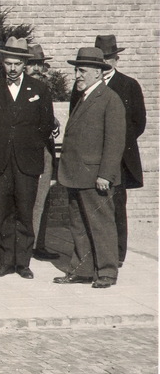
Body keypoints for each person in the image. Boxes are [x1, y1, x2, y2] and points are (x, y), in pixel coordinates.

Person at [0, 37, 55, 280]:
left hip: (28, 161)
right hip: (1, 160)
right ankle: (5, 262)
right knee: (3, 212)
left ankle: (23, 262)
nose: (12, 68)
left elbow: (46, 124)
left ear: (24, 64)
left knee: (25, 210)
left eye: (17, 64)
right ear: (3, 62)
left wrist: (30, 146)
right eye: (8, 63)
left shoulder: (39, 89)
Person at [55, 47, 125, 289]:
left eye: (82, 71)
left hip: (96, 176)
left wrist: (105, 174)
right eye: (76, 70)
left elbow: (115, 142)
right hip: (76, 174)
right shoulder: (83, 96)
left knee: (101, 224)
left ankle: (107, 272)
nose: (77, 75)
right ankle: (82, 270)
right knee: (79, 224)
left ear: (98, 72)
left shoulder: (110, 100)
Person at [90, 35, 145, 268]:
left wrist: (118, 144)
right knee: (95, 203)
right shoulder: (87, 83)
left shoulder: (129, 85)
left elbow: (138, 122)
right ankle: (97, 250)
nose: (104, 63)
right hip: (92, 155)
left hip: (119, 157)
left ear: (116, 59)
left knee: (117, 203)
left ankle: (118, 252)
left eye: (108, 58)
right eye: (100, 59)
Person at [25, 44, 61, 261]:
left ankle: (39, 244)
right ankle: (26, 246)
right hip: (27, 151)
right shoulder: (21, 88)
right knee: (27, 200)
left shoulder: (45, 88)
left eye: (39, 64)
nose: (37, 69)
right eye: (32, 64)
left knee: (43, 198)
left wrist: (53, 121)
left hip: (45, 150)